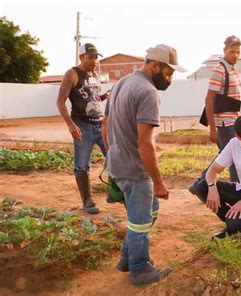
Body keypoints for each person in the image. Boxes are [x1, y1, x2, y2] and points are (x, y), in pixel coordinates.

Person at [102, 44, 187, 285]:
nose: (170, 79)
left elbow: (105, 123)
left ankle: (127, 259)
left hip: (117, 164)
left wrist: (112, 152)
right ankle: (139, 269)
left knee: (149, 210)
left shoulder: (121, 83)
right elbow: (144, 143)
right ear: (154, 66)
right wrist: (159, 181)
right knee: (140, 221)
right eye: (168, 73)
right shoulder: (148, 91)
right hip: (135, 170)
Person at [56, 43, 109, 214]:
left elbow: (94, 99)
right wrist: (71, 125)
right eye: (90, 57)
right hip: (82, 126)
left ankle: (117, 192)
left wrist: (106, 96)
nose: (94, 61)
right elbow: (60, 102)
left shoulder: (94, 75)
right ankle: (88, 201)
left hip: (100, 124)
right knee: (82, 165)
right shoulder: (72, 74)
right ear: (81, 57)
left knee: (114, 156)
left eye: (96, 57)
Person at [189, 35, 241, 196]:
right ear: (225, 50)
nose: (235, 55)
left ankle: (199, 185)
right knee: (232, 155)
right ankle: (237, 189)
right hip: (223, 123)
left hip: (232, 120)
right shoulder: (219, 70)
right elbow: (209, 100)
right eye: (232, 51)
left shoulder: (232, 69)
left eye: (238, 52)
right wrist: (213, 129)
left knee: (226, 154)